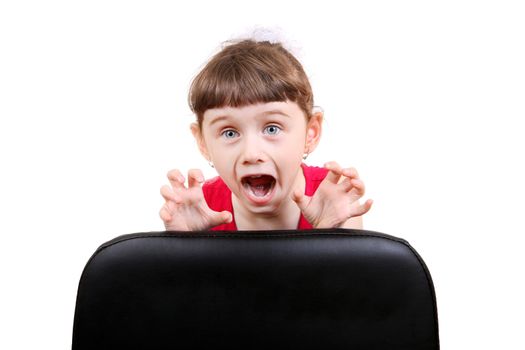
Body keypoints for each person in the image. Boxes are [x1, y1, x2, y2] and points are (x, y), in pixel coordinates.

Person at [159, 37, 373, 231]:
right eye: (230, 133)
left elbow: (345, 276)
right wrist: (182, 245)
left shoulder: (332, 199)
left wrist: (329, 234)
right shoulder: (200, 208)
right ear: (203, 142)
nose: (251, 154)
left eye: (272, 129)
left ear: (311, 133)